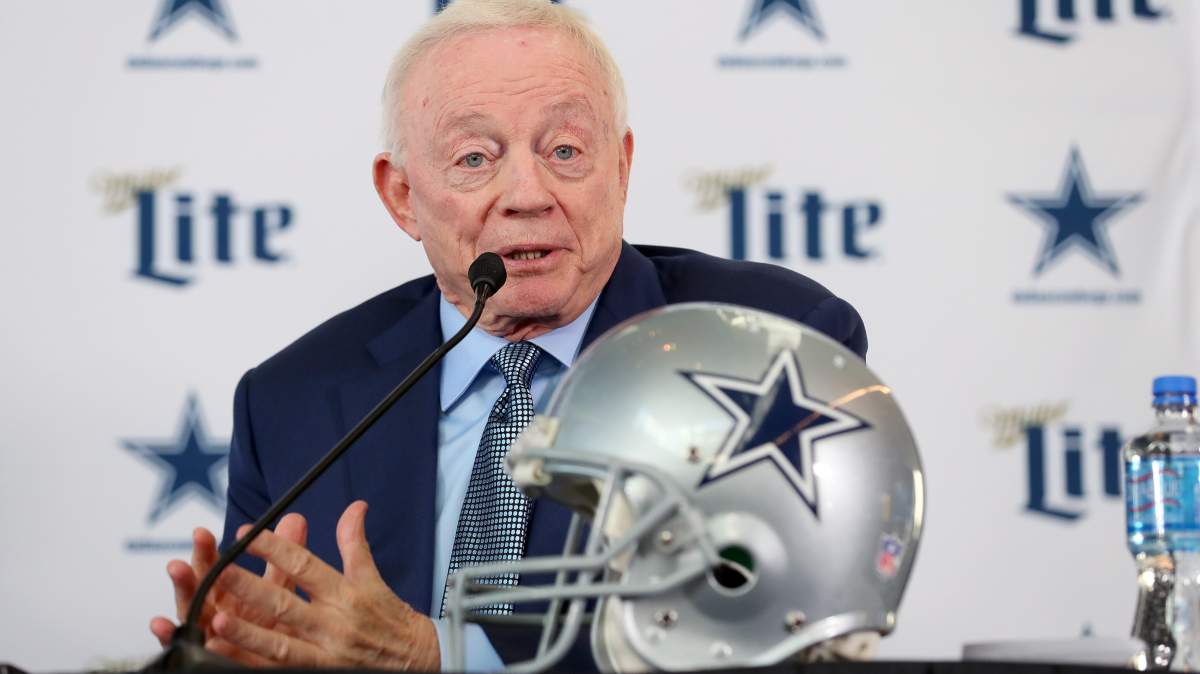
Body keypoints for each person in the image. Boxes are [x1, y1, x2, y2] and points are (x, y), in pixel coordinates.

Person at [148, 0, 867, 670]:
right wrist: (227, 653)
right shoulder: (291, 403)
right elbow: (272, 639)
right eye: (475, 158)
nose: (527, 195)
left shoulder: (767, 346)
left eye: (565, 151)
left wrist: (443, 656)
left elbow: (774, 628)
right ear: (402, 195)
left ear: (621, 167)